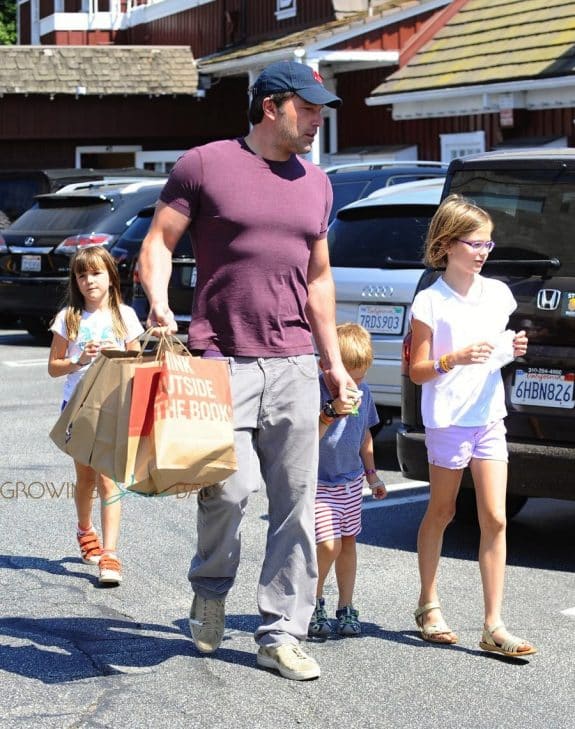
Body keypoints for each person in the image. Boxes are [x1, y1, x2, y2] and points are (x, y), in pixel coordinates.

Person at [138, 60, 356, 680]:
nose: (317, 120)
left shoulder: (317, 182)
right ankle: (210, 590)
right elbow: (158, 242)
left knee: (296, 504)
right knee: (228, 491)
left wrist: (332, 364)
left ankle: (281, 631)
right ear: (271, 107)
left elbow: (318, 279)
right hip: (218, 360)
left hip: (292, 362)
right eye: (308, 109)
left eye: (320, 110)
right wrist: (158, 302)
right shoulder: (204, 165)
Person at [408, 194, 536, 657]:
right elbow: (417, 370)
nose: (483, 251)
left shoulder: (498, 294)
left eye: (488, 243)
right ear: (447, 244)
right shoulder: (430, 301)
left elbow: (495, 349)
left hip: (488, 417)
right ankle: (428, 604)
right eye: (474, 243)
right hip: (448, 420)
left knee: (497, 517)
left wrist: (511, 347)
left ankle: (494, 625)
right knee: (442, 512)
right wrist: (452, 358)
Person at [48, 246, 143, 586]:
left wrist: (117, 357)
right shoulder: (69, 318)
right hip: (77, 410)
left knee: (108, 480)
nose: (89, 280)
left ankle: (111, 554)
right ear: (76, 280)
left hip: (113, 407)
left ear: (111, 277)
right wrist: (79, 361)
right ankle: (84, 529)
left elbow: (137, 362)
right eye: (82, 274)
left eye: (96, 273)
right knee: (86, 479)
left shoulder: (125, 316)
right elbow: (53, 368)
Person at [308, 323, 387, 639]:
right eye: (350, 377)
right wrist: (331, 411)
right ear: (326, 366)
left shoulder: (363, 393)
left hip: (351, 482)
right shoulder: (316, 391)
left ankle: (346, 606)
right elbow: (308, 437)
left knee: (348, 543)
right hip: (320, 483)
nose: (355, 384)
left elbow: (365, 434)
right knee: (328, 544)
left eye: (361, 376)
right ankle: (312, 600)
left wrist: (372, 474)